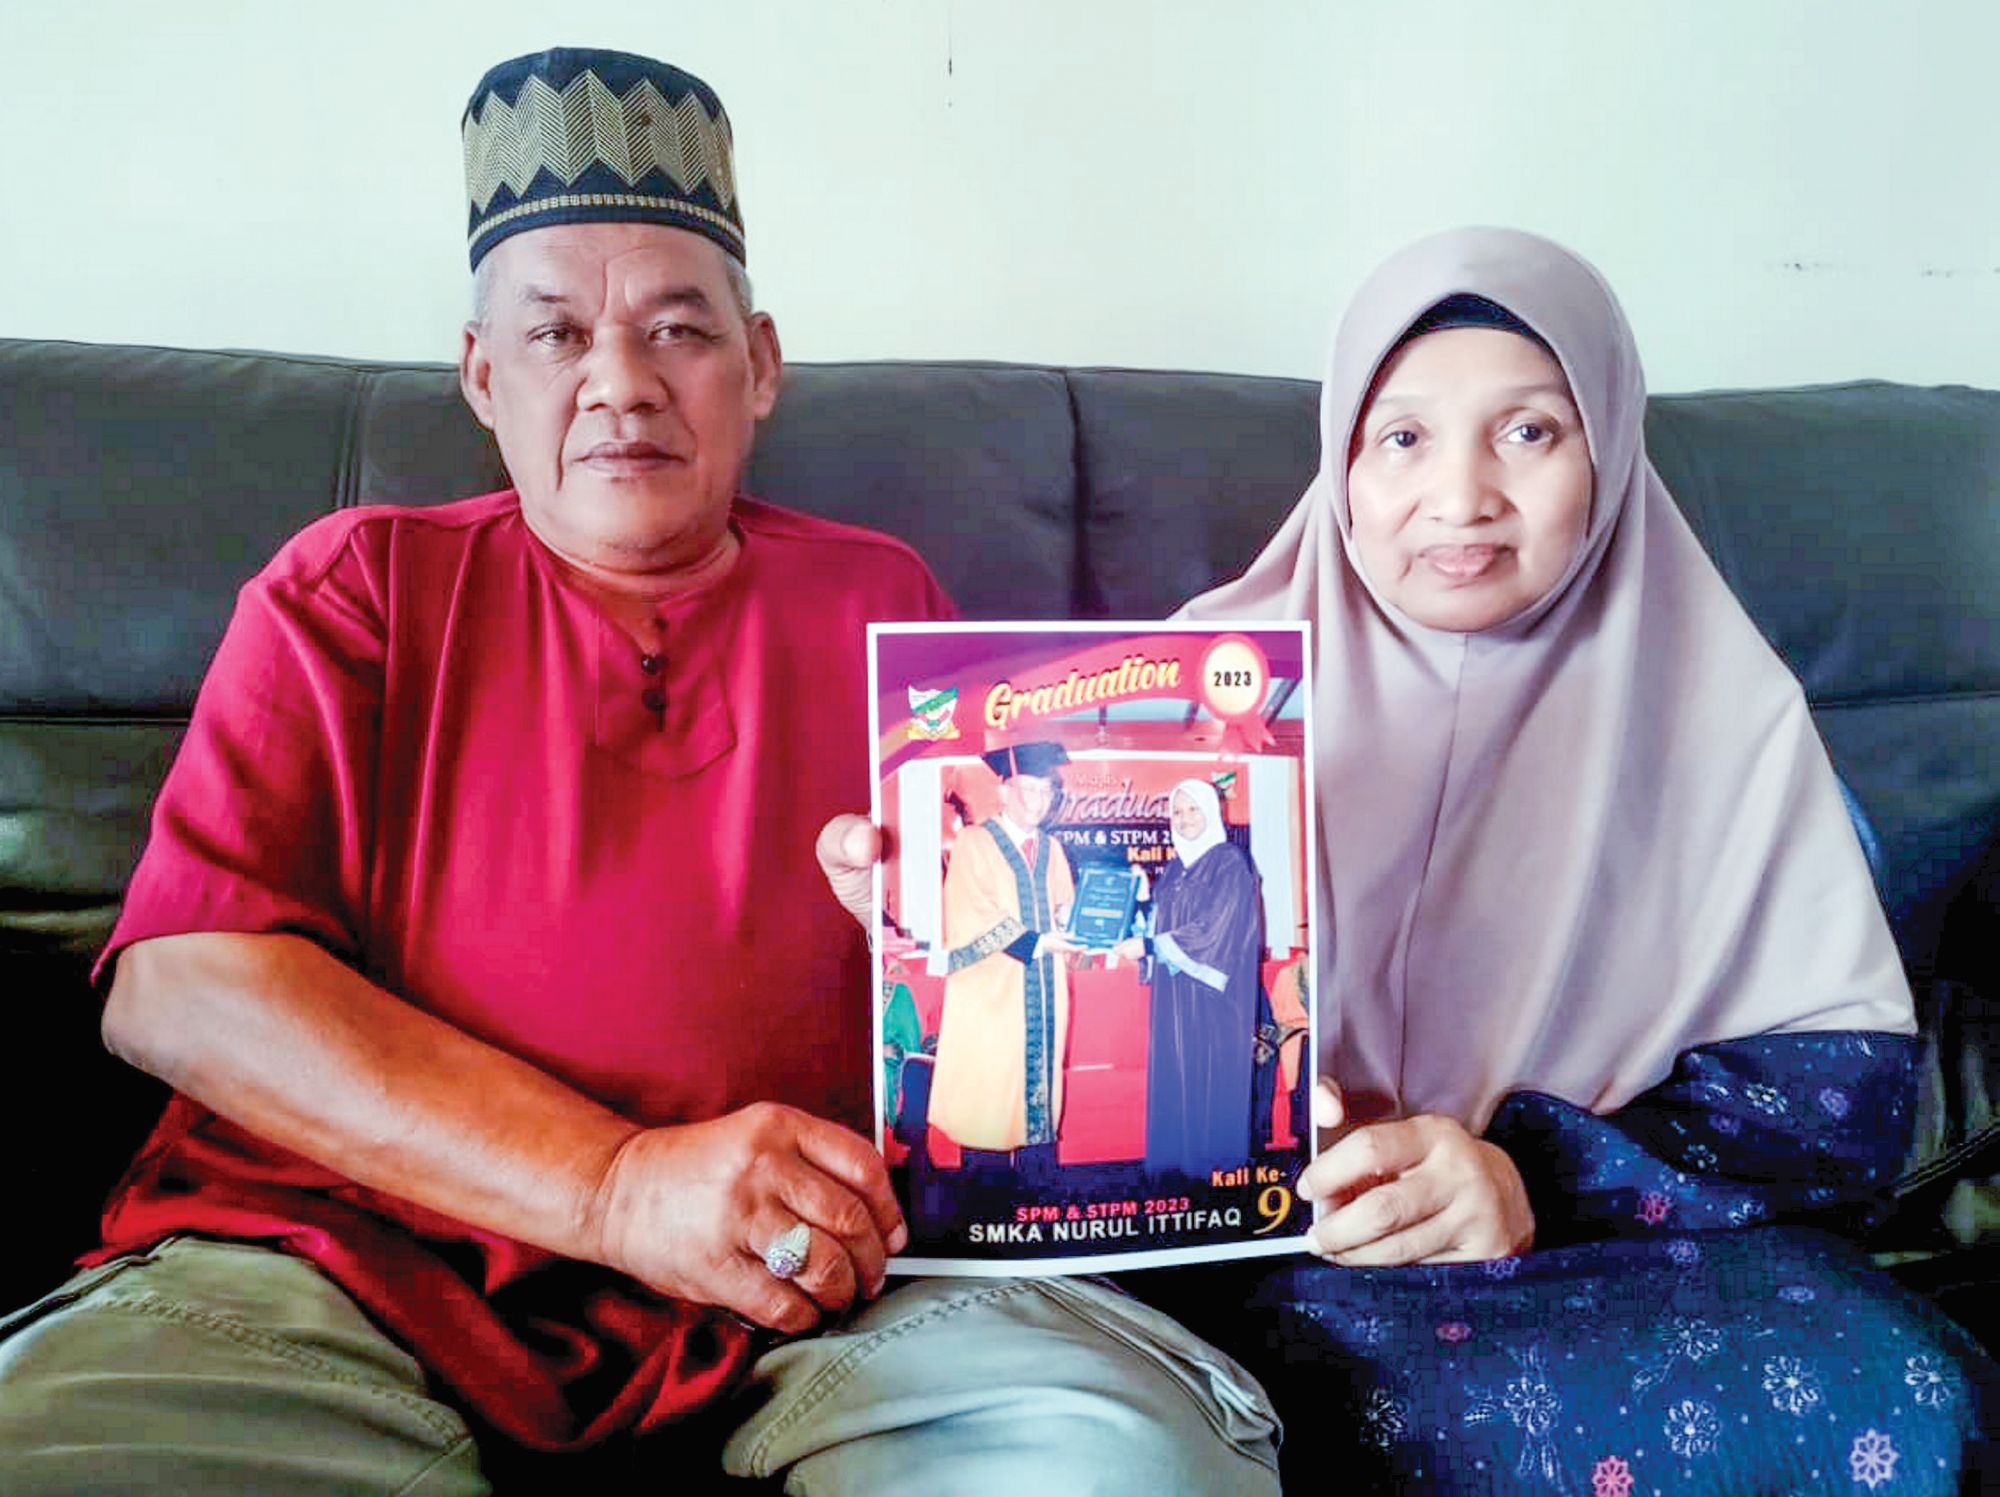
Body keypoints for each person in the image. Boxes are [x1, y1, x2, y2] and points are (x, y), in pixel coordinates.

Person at [0, 49, 1280, 1495]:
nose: (619, 383)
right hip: (348, 1262)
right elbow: (179, 988)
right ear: (481, 376)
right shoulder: (355, 587)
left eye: (677, 328)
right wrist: (613, 1186)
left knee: (1120, 1461)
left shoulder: (884, 601)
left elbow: (1016, 944)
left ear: (760, 366)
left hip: (822, 1280)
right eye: (555, 334)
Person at [1139, 227, 1997, 1488]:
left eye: (1529, 431)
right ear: (1340, 466)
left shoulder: (1721, 712)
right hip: (1286, 1264)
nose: (1460, 496)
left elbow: (1834, 1103)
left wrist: (1527, 1171)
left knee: (1908, 1402)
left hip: (1617, 1242)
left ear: (1609, 450)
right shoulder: (1170, 702)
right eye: (1401, 436)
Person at [929, 741, 1081, 1182]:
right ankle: (984, 1193)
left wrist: (1086, 918)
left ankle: (1038, 1191)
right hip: (991, 992)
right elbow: (971, 915)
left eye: (1046, 792)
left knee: (1039, 1092)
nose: (1038, 801)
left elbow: (1065, 908)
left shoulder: (1052, 849)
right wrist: (1037, 942)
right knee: (990, 1095)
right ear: (1004, 791)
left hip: (1044, 989)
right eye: (1029, 789)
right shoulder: (974, 843)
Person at [1115, 778, 1263, 1181]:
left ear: (1212, 811)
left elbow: (1217, 930)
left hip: (1213, 998)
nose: (1184, 819)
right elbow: (1158, 923)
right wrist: (1141, 899)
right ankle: (1176, 1168)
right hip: (1174, 992)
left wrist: (1150, 947)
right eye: (1177, 812)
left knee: (1210, 1075)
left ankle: (1215, 1175)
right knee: (1175, 1070)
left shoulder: (1230, 863)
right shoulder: (1175, 868)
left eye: (1193, 809)